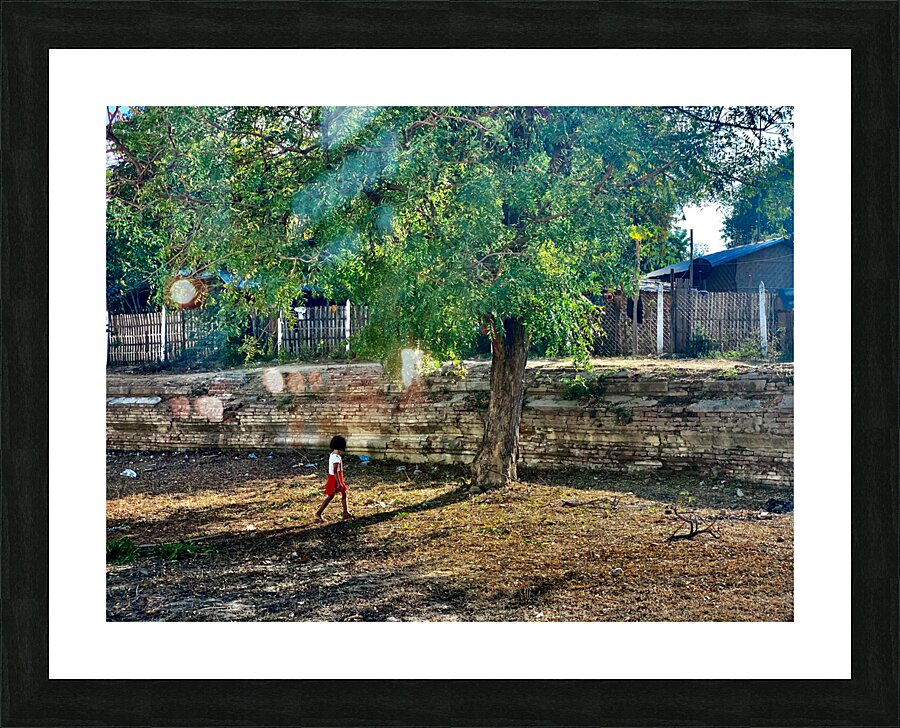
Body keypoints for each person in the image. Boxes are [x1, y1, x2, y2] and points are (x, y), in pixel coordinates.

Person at [314, 435, 352, 522]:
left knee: (340, 494)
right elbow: (335, 471)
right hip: (335, 478)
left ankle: (345, 512)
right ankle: (319, 513)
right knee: (334, 495)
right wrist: (339, 483)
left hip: (333, 478)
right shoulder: (336, 458)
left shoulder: (332, 455)